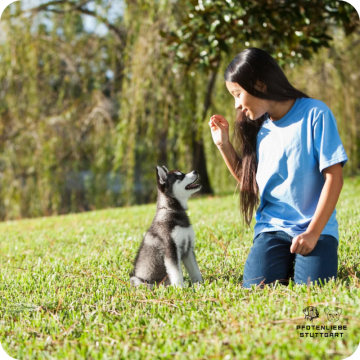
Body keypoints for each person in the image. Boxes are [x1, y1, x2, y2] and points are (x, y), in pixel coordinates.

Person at [208, 47, 348, 288]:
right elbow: (249, 182)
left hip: (316, 228)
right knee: (255, 289)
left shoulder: (315, 113)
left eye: (238, 94)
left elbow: (334, 178)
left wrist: (313, 233)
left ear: (260, 85)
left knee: (312, 291)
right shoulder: (257, 126)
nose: (236, 105)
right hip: (272, 229)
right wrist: (224, 145)